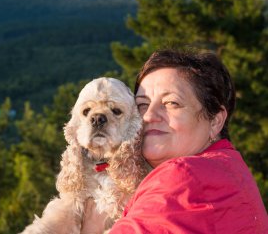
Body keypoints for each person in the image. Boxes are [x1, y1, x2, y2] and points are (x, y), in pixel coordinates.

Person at [81, 49, 268, 233]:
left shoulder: (182, 175)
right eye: (142, 105)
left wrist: (90, 225)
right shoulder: (230, 170)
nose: (149, 116)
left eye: (172, 103)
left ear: (216, 121)